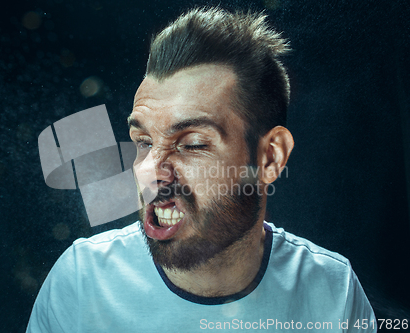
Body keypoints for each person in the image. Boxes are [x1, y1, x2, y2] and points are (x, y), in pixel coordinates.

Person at [26, 7, 376, 332]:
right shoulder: (81, 282)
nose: (152, 171)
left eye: (192, 144)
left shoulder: (333, 292)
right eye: (144, 142)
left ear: (270, 158)